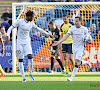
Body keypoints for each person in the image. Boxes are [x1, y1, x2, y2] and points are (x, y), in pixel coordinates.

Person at [5, 10, 50, 82]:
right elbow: (10, 28)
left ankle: (30, 74)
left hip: (27, 42)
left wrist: (47, 34)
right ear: (28, 16)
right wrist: (7, 35)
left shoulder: (31, 23)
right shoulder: (19, 21)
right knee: (20, 60)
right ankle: (23, 77)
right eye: (32, 17)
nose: (33, 18)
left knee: (30, 57)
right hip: (19, 42)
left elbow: (38, 29)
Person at [52, 16, 92, 81]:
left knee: (76, 62)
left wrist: (89, 41)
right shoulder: (72, 28)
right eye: (74, 21)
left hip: (81, 48)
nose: (75, 23)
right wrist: (58, 42)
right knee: (78, 62)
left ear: (80, 22)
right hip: (74, 47)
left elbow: (90, 39)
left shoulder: (84, 29)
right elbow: (66, 36)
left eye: (77, 21)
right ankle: (87, 62)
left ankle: (71, 77)